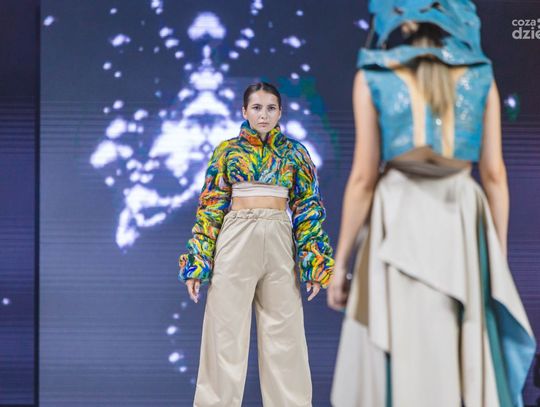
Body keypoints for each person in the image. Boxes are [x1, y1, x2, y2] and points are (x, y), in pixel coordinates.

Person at [328, 1, 535, 406]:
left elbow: (363, 179)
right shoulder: (481, 76)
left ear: (401, 19)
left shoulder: (373, 76)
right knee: (459, 346)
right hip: (460, 216)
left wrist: (340, 264)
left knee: (403, 346)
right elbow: (494, 175)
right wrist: (497, 256)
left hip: (398, 213)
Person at [178, 82, 334, 407]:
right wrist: (197, 263)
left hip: (279, 238)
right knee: (224, 333)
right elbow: (210, 207)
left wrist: (315, 263)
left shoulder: (295, 153)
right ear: (244, 111)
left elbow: (308, 208)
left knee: (286, 336)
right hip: (236, 237)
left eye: (271, 108)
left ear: (280, 112)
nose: (264, 115)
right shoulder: (227, 151)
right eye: (257, 108)